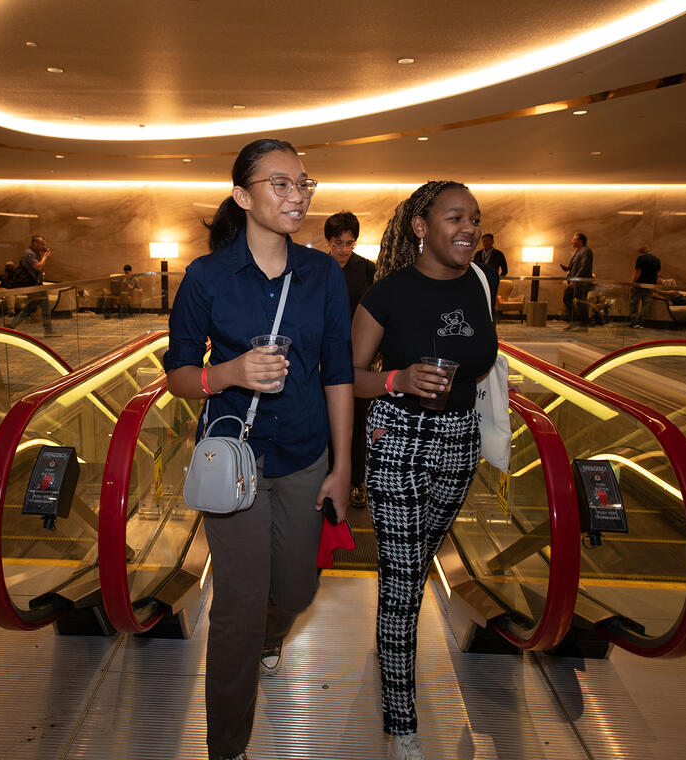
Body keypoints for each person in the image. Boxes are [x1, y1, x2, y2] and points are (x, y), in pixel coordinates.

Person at [164, 138, 353, 760]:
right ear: (243, 197)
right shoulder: (206, 277)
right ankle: (227, 747)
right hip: (233, 460)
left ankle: (275, 631)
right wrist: (230, 373)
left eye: (304, 183)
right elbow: (180, 374)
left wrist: (342, 466)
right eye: (281, 183)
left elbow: (338, 373)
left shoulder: (322, 273)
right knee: (239, 607)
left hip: (304, 453)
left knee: (295, 588)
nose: (297, 195)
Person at [351, 181, 499, 760]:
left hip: (459, 440)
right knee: (405, 576)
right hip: (397, 438)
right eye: (455, 217)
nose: (469, 228)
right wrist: (399, 379)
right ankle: (402, 721)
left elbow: (485, 359)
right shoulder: (385, 296)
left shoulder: (481, 284)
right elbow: (344, 376)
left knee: (419, 558)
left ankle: (389, 639)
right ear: (420, 226)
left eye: (476, 219)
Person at [325, 211, 375, 509]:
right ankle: (327, 474)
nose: (344, 249)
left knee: (357, 419)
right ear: (328, 241)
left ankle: (357, 481)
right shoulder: (317, 267)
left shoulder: (368, 270)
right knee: (325, 417)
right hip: (323, 354)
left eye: (349, 243)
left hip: (359, 355)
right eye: (338, 243)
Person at [7, 235, 54, 336]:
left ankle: (11, 325)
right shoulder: (29, 254)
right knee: (39, 307)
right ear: (35, 243)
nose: (44, 246)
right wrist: (45, 256)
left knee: (31, 307)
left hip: (36, 285)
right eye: (42, 244)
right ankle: (48, 330)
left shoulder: (36, 253)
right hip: (32, 285)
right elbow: (38, 266)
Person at [559, 231, 593, 331]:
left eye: (574, 239)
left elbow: (584, 267)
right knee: (569, 299)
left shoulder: (586, 251)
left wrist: (575, 280)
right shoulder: (580, 251)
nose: (572, 241)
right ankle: (574, 321)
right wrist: (567, 268)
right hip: (575, 281)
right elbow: (577, 266)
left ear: (580, 241)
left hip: (580, 282)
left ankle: (583, 325)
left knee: (581, 302)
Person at [629, 246, 661, 328]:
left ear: (641, 252)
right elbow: (657, 274)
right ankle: (641, 322)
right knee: (646, 304)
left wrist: (633, 283)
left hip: (640, 284)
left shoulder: (641, 258)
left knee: (634, 302)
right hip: (651, 285)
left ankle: (634, 321)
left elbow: (637, 272)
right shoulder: (657, 259)